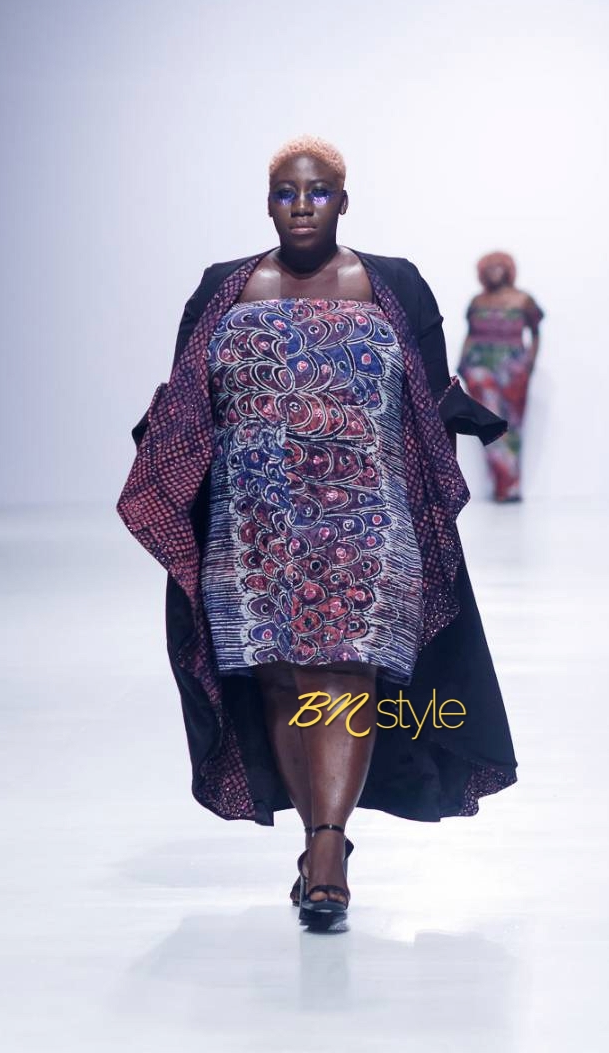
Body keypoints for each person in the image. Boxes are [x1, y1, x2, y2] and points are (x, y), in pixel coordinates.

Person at [116, 136, 518, 930]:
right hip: (253, 523)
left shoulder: (392, 283)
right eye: (287, 193)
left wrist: (466, 433)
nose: (303, 206)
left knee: (348, 673)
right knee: (282, 680)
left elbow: (429, 395)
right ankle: (316, 837)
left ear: (344, 200)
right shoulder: (223, 288)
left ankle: (329, 851)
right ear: (268, 203)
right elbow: (188, 400)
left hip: (366, 516)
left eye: (320, 191)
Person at [458, 251, 544, 502]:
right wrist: (462, 363)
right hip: (480, 368)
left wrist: (529, 363)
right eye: (489, 267)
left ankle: (511, 487)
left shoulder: (523, 300)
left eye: (499, 266)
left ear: (508, 269)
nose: (494, 271)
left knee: (512, 425)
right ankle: (502, 486)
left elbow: (536, 333)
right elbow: (470, 334)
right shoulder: (477, 301)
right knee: (489, 424)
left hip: (513, 368)